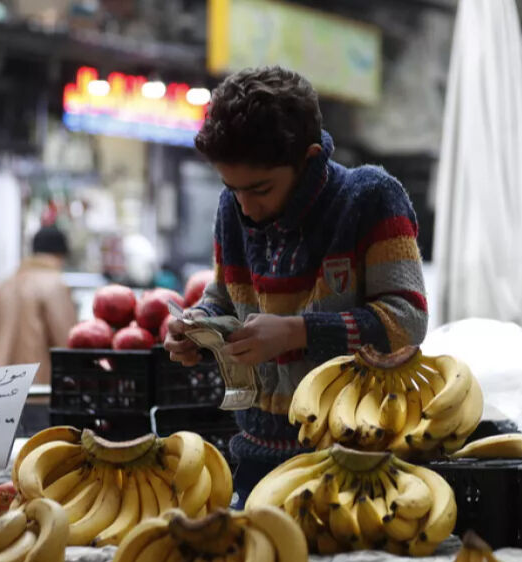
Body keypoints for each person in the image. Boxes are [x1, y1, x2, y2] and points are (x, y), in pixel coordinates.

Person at [164, 66, 428, 503]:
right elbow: (222, 298)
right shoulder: (231, 208)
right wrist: (198, 327)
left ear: (307, 160)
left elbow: (407, 321)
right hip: (254, 463)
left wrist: (298, 332)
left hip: (359, 468)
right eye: (233, 189)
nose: (247, 208)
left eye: (261, 189)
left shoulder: (370, 198)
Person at [0, 227, 78, 384]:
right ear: (61, 254)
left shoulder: (2, 287)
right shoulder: (55, 285)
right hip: (39, 392)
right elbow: (67, 344)